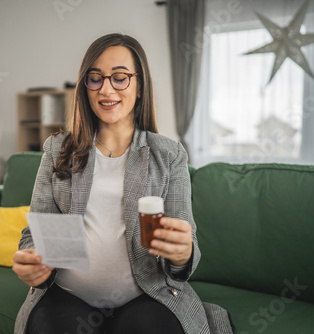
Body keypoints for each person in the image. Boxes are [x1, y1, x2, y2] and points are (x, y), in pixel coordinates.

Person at [13, 33, 234, 334]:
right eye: (95, 78)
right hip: (67, 295)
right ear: (85, 87)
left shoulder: (168, 155)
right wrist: (32, 260)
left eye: (119, 78)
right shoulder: (57, 149)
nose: (106, 89)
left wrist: (182, 256)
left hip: (147, 296)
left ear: (140, 85)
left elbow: (185, 249)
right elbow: (34, 234)